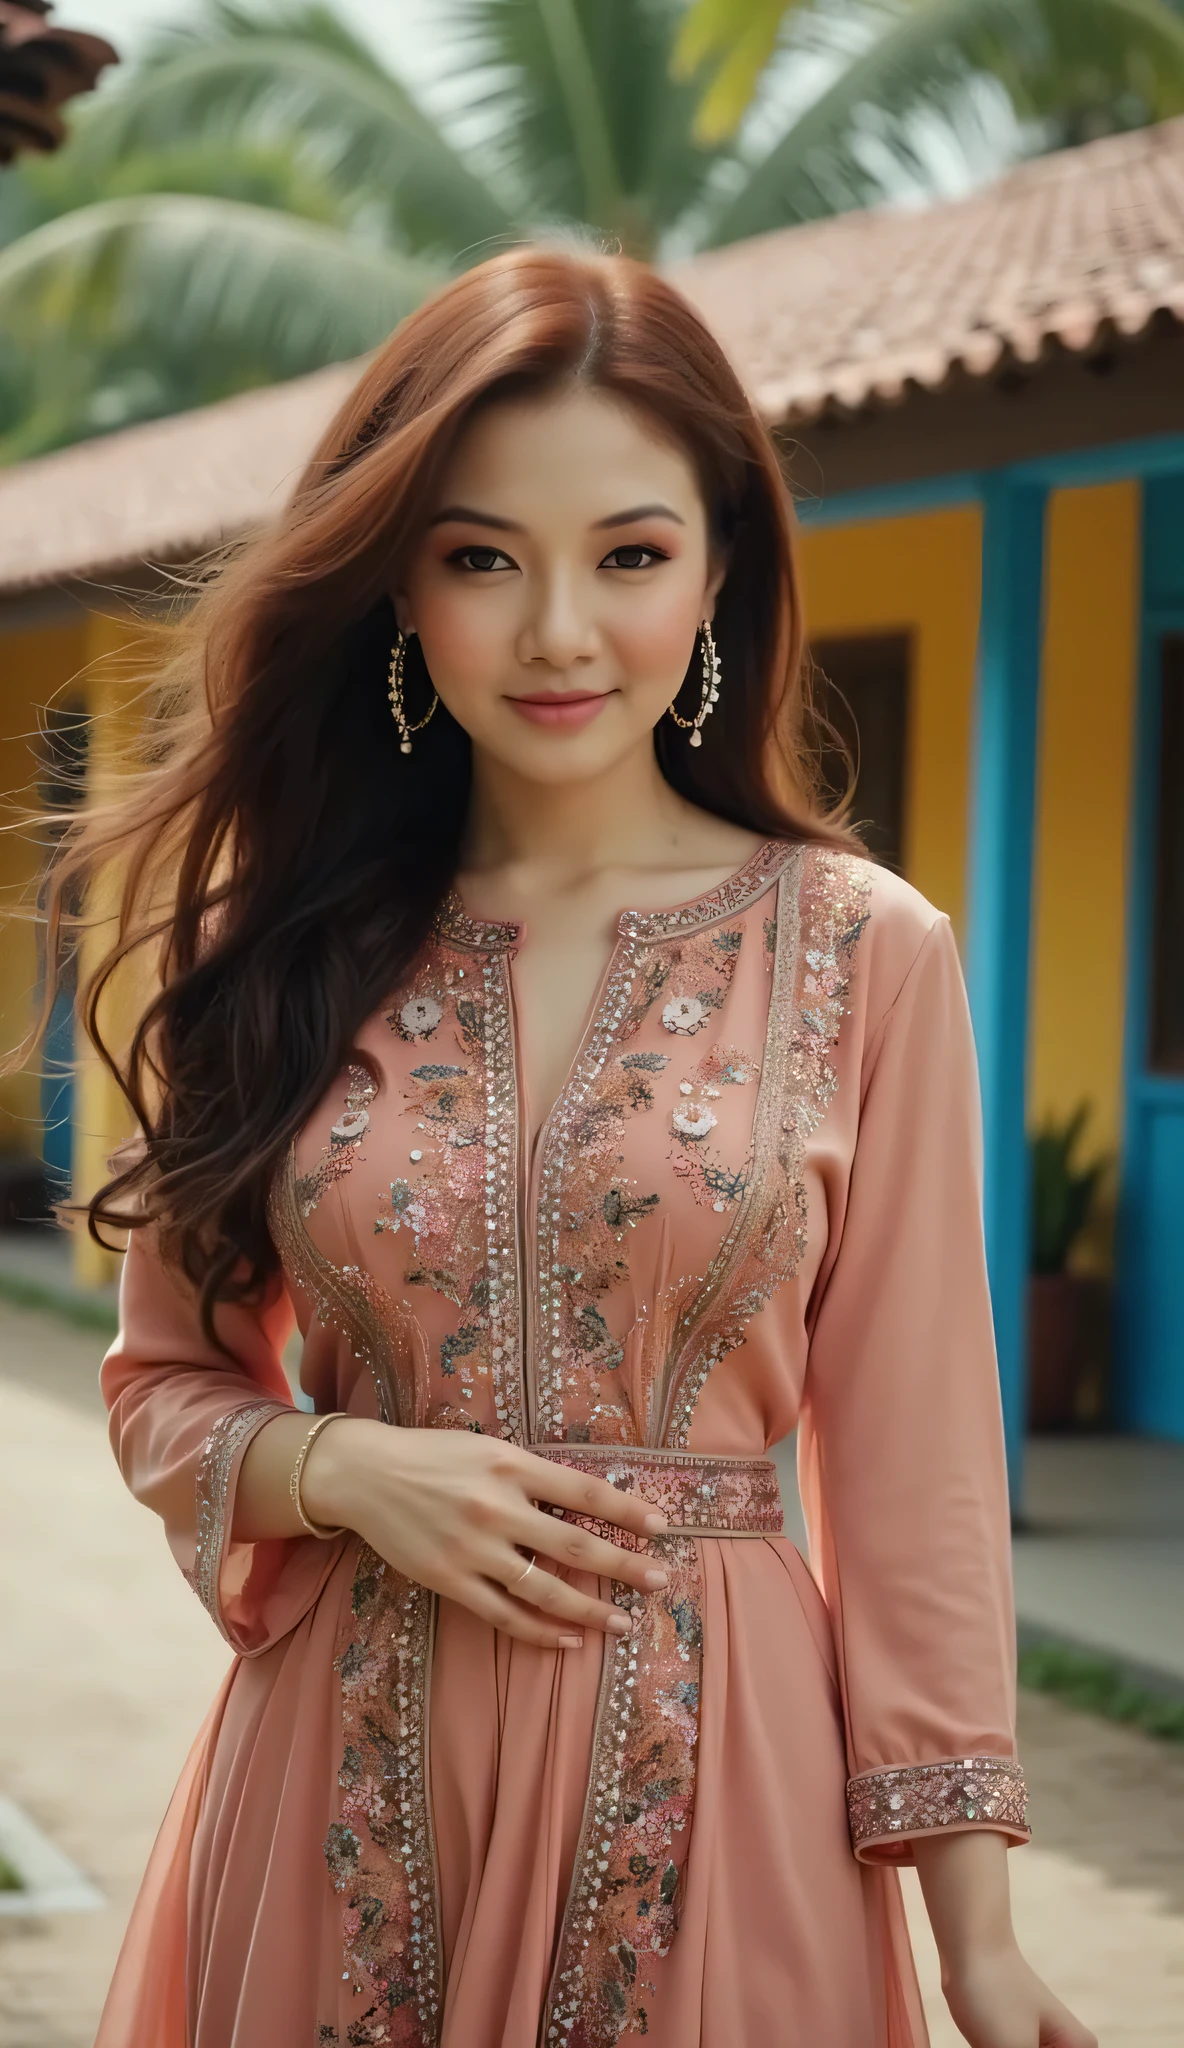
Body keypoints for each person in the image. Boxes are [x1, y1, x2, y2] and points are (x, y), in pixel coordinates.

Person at [49, 248, 1094, 2048]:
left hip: (727, 1792)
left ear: (718, 570)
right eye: (482, 559)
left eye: (627, 555)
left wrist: (977, 1939)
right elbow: (161, 1388)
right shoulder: (277, 951)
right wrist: (344, 1469)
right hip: (335, 1798)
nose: (556, 632)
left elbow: (917, 1468)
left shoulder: (864, 952)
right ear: (400, 581)